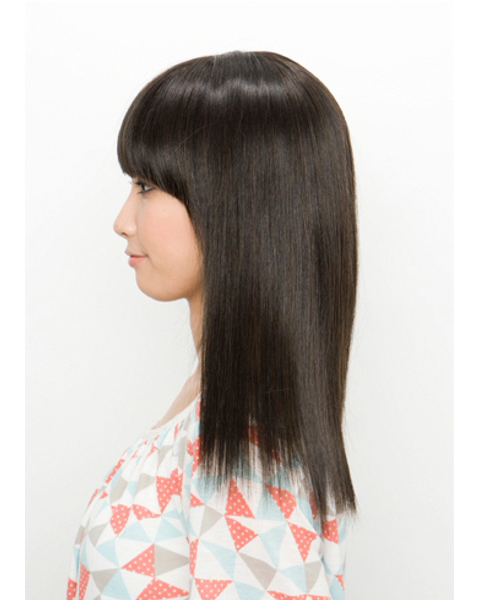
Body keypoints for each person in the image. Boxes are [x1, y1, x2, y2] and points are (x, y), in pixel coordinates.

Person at [65, 50, 359, 600]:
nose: (122, 221)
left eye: (146, 186)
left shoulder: (247, 449)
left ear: (236, 203)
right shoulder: (218, 409)